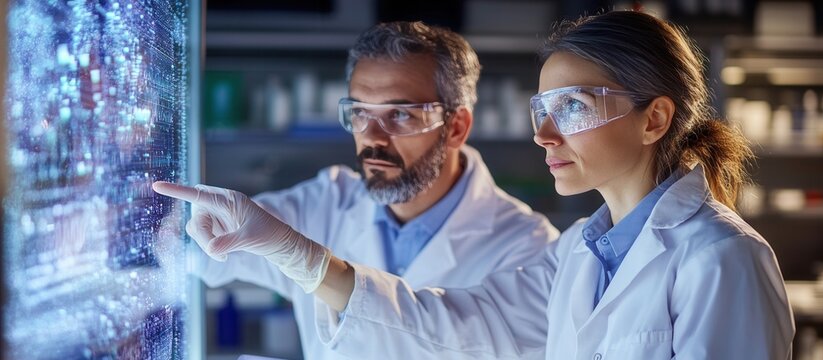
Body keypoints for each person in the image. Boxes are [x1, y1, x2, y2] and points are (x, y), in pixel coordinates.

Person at [154, 11, 795, 359]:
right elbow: (459, 322)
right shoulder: (577, 251)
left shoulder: (723, 258)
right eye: (542, 112)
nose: (546, 136)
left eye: (572, 107)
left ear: (654, 117)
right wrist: (296, 253)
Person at [175, 21, 558, 360]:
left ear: (456, 127)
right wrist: (182, 228)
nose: (372, 139)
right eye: (360, 113)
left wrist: (310, 263)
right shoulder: (325, 202)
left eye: (401, 114)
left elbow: (451, 336)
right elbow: (205, 256)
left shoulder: (528, 248)